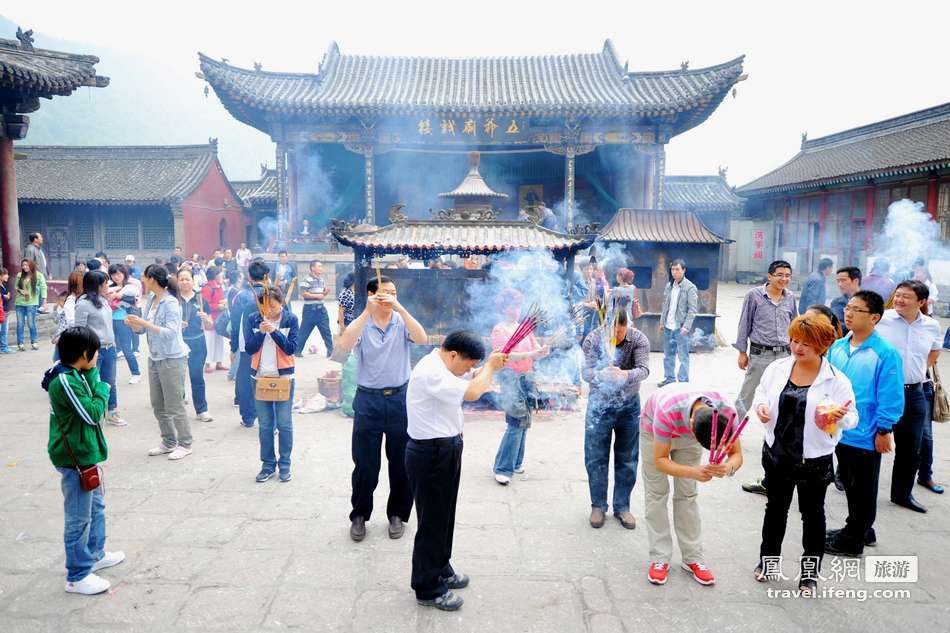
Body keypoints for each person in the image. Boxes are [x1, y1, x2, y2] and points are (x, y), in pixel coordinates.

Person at [751, 314, 857, 597]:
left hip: (813, 459)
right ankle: (768, 561)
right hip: (777, 453)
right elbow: (761, 394)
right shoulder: (777, 368)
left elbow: (851, 417)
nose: (797, 348)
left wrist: (836, 418)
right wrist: (762, 408)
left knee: (812, 516)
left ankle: (809, 575)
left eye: (806, 344)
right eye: (794, 340)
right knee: (775, 510)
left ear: (822, 346)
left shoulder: (836, 380)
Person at [405, 331, 507, 611]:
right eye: (467, 364)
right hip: (430, 454)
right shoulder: (430, 372)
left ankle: (441, 567)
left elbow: (470, 381)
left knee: (445, 516)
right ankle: (427, 587)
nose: (468, 370)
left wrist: (486, 368)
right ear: (453, 355)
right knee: (432, 522)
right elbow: (474, 392)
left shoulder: (441, 365)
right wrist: (489, 368)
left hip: (445, 448)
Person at [335, 275, 427, 542]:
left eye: (394, 292)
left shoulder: (401, 321)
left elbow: (421, 338)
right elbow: (343, 346)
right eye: (385, 292)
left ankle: (397, 514)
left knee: (401, 462)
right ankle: (360, 515)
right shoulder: (362, 324)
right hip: (368, 401)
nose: (390, 296)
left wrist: (400, 307)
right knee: (365, 463)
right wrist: (367, 310)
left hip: (399, 400)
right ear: (372, 295)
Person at [43, 326, 125, 595]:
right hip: (74, 457)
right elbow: (92, 413)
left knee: (96, 507)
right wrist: (103, 389)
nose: (99, 357)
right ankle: (77, 576)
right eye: (95, 353)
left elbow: (90, 389)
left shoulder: (77, 371)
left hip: (85, 453)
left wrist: (92, 372)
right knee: (78, 518)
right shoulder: (64, 381)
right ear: (84, 354)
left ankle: (95, 554)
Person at [824, 290, 903, 557]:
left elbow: (891, 396)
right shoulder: (838, 347)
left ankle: (853, 540)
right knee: (848, 482)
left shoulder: (885, 353)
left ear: (875, 318)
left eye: (857, 310)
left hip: (867, 433)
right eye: (848, 307)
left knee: (863, 489)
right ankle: (858, 529)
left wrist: (884, 429)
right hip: (839, 430)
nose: (848, 313)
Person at [640, 385, 743, 586]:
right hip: (653, 431)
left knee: (687, 495)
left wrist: (728, 467)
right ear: (691, 424)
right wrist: (693, 471)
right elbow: (660, 460)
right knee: (657, 493)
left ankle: (693, 558)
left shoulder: (727, 413)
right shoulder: (666, 411)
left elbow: (736, 455)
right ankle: (659, 558)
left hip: (690, 436)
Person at [875, 280, 943, 513]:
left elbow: (936, 349)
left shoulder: (931, 325)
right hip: (882, 391)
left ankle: (902, 494)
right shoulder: (881, 319)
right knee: (868, 440)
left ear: (921, 302)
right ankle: (846, 476)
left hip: (915, 392)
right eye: (898, 295)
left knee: (911, 447)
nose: (900, 300)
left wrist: (921, 367)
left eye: (906, 297)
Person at [581, 308, 649, 528]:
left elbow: (644, 369)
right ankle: (598, 506)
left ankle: (623, 507)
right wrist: (600, 375)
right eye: (613, 332)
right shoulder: (594, 338)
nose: (617, 337)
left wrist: (626, 374)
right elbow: (586, 372)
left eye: (621, 332)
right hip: (599, 405)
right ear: (606, 326)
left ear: (627, 325)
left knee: (628, 458)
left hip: (629, 405)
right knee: (595, 456)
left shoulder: (638, 339)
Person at [736, 260, 797, 496]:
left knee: (783, 396)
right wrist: (742, 351)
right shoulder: (754, 296)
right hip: (760, 353)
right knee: (747, 394)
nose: (784, 279)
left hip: (784, 353)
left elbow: (795, 323)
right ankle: (729, 431)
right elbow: (744, 323)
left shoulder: (790, 297)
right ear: (769, 276)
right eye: (780, 275)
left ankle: (777, 437)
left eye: (788, 276)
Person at [125, 265, 193, 461]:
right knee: (158, 404)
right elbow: (145, 329)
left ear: (153, 279)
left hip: (172, 358)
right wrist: (135, 325)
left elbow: (171, 333)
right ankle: (169, 441)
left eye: (145, 277)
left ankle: (185, 443)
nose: (143, 281)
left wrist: (144, 323)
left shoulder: (171, 303)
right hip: (154, 357)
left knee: (174, 404)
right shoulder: (152, 300)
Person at [490, 288, 550, 486]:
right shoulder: (499, 330)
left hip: (527, 376)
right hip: (509, 376)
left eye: (517, 305)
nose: (515, 309)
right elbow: (503, 356)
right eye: (511, 306)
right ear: (503, 308)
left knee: (525, 420)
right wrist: (530, 354)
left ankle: (516, 462)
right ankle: (502, 468)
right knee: (516, 421)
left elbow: (534, 350)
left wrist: (542, 351)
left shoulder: (524, 328)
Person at [245, 286, 299, 483]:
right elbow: (249, 348)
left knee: (284, 424)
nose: (269, 311)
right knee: (265, 425)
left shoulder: (290, 319)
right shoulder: (253, 319)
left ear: (282, 303)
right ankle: (268, 464)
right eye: (265, 307)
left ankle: (285, 464)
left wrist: (275, 331)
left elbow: (291, 348)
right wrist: (260, 332)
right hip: (259, 377)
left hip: (284, 377)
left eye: (274, 307)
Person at [74, 271, 125, 426]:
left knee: (110, 381)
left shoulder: (102, 300)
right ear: (95, 285)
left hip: (109, 347)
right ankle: (92, 414)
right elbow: (79, 329)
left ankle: (112, 412)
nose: (107, 286)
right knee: (91, 382)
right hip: (93, 350)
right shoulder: (83, 304)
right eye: (104, 283)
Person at [230, 259, 271, 427]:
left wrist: (233, 347)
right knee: (268, 375)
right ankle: (268, 416)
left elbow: (234, 323)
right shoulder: (274, 294)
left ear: (249, 276)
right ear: (267, 276)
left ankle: (248, 417)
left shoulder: (240, 295)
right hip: (269, 342)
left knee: (246, 378)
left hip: (246, 343)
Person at [178, 268, 214, 423]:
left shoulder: (200, 300)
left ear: (193, 281)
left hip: (197, 342)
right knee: (177, 377)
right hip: (178, 342)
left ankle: (202, 410)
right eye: (181, 279)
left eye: (187, 279)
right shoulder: (174, 300)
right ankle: (177, 406)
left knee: (197, 376)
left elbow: (210, 323)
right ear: (177, 281)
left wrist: (206, 319)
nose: (185, 282)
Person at [658, 259, 698, 386]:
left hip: (681, 328)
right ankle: (669, 378)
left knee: (683, 356)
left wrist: (686, 327)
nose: (674, 272)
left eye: (677, 269)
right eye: (672, 269)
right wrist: (662, 322)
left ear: (684, 270)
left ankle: (683, 381)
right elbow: (665, 305)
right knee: (668, 354)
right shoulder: (669, 286)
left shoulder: (690, 287)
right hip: (668, 327)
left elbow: (692, 310)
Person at [106, 264, 142, 386]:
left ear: (124, 274)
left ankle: (136, 373)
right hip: (108, 321)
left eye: (119, 274)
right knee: (110, 349)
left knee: (127, 349)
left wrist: (118, 299)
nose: (116, 277)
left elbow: (134, 302)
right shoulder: (108, 287)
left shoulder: (130, 288)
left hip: (123, 321)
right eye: (113, 274)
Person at [296, 260, 333, 358]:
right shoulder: (306, 279)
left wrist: (326, 292)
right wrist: (317, 296)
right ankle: (297, 351)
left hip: (321, 310)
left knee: (326, 331)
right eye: (319, 266)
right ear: (313, 268)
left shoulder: (321, 280)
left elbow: (322, 295)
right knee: (304, 331)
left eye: (321, 266)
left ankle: (330, 351)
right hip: (310, 310)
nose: (321, 268)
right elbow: (303, 293)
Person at [200, 266, 228, 372]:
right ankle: (207, 364)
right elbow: (205, 305)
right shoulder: (207, 288)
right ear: (215, 275)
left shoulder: (219, 286)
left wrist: (223, 303)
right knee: (209, 341)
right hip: (210, 318)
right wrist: (217, 306)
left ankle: (218, 362)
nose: (222, 276)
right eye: (220, 274)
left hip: (219, 318)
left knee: (218, 341)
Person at [15, 258, 47, 351]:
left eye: (26, 265)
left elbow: (44, 288)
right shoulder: (19, 275)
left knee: (31, 323)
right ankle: (20, 344)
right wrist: (21, 291)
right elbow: (16, 287)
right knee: (20, 324)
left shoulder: (39, 276)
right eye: (23, 265)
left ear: (31, 265)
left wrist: (44, 301)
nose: (24, 267)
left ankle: (34, 342)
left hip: (32, 303)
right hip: (19, 303)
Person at [830, 267, 861, 335]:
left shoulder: (870, 302)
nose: (840, 284)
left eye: (843, 280)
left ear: (855, 281)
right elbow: (837, 326)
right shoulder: (836, 303)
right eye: (838, 281)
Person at [0, 267, 12, 354]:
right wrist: (5, 296)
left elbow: (8, 296)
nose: (7, 276)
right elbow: (3, 297)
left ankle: (4, 346)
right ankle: (3, 347)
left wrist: (6, 297)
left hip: (6, 311)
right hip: (1, 311)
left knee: (5, 330)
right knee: (2, 330)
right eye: (5, 274)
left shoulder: (4, 285)